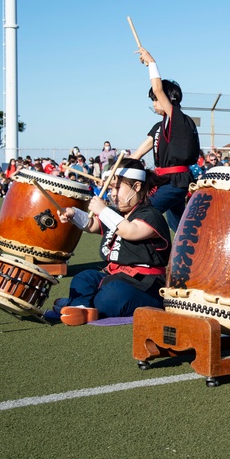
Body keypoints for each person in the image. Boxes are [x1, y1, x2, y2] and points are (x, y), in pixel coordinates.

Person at [49, 159, 171, 325]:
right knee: (83, 278)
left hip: (145, 285)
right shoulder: (116, 214)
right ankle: (79, 306)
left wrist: (103, 210)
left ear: (136, 187)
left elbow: (129, 231)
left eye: (118, 187)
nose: (113, 193)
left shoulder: (151, 215)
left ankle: (83, 304)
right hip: (115, 276)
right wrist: (73, 214)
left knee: (112, 295)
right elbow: (92, 224)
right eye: (112, 188)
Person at [130, 46, 201, 232]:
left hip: (176, 181)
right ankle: (181, 256)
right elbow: (137, 154)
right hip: (165, 180)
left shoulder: (177, 119)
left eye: (155, 99)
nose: (154, 103)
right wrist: (117, 170)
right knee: (179, 227)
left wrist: (151, 63)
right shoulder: (158, 127)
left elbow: (158, 88)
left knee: (145, 212)